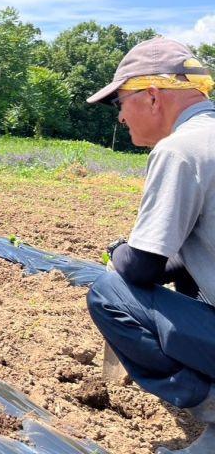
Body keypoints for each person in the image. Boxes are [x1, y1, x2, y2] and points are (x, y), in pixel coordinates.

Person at [85, 37, 215, 454]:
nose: (121, 116)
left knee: (109, 293)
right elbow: (191, 256)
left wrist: (120, 253)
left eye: (121, 101)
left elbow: (140, 268)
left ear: (153, 96)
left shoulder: (181, 150)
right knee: (188, 283)